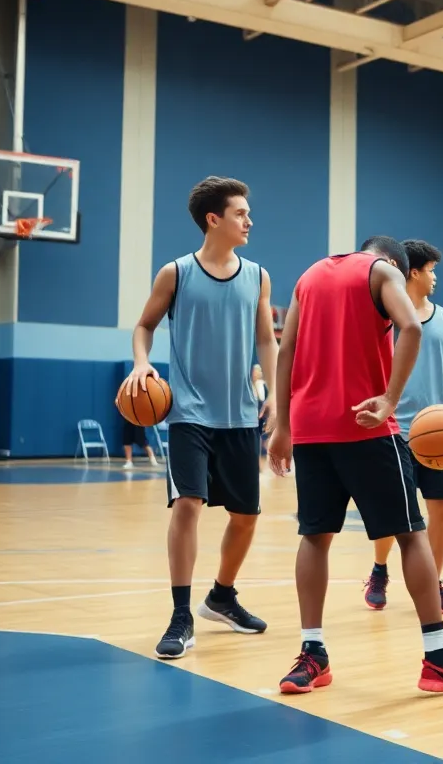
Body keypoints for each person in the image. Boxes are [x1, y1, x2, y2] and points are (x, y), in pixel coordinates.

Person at [267, 236, 443, 695]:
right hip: (367, 425)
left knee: (314, 536)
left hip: (310, 427)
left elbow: (284, 349)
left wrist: (282, 426)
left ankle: (312, 656)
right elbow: (411, 328)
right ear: (393, 262)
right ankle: (438, 659)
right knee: (411, 534)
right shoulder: (382, 271)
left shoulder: (309, 275)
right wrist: (391, 398)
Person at [121, 176, 278, 660]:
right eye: (240, 213)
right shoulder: (176, 273)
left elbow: (266, 340)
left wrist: (275, 392)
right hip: (188, 412)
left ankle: (222, 596)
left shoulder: (258, 275)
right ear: (214, 219)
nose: (250, 221)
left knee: (247, 516)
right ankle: (181, 614)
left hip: (239, 414)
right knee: (187, 504)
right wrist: (142, 362)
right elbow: (144, 325)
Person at [363, 239, 443, 616]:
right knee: (396, 513)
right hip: (393, 430)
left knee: (440, 509)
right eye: (431, 271)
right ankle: (379, 571)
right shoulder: (385, 318)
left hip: (439, 430)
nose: (435, 277)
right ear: (413, 272)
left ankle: (434, 582)